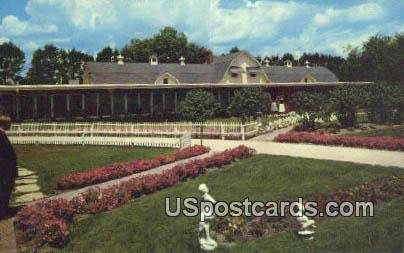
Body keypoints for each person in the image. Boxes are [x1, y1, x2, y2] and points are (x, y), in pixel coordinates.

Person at [0, 112, 17, 219]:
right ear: (4, 124)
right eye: (9, 123)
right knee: (4, 190)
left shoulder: (2, 134)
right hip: (4, 170)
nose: (11, 125)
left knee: (6, 190)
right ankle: (3, 211)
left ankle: (5, 208)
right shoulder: (0, 136)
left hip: (7, 169)